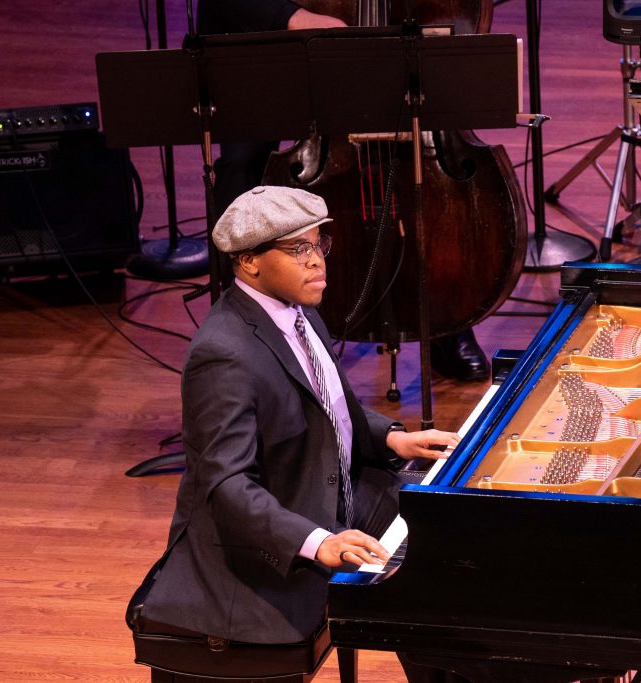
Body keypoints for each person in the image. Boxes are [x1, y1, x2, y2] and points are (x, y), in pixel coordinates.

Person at [134, 185, 461, 651]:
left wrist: (392, 439)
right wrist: (316, 541)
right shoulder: (223, 355)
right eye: (298, 249)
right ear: (249, 261)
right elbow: (226, 486)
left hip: (330, 491)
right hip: (266, 548)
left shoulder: (297, 309)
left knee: (450, 546)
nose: (317, 261)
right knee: (433, 593)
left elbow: (328, 404)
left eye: (319, 244)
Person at [198, 0, 491, 382]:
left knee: (428, 143)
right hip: (291, 46)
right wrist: (290, 17)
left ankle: (443, 317)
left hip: (404, 43)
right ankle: (245, 328)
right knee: (243, 163)